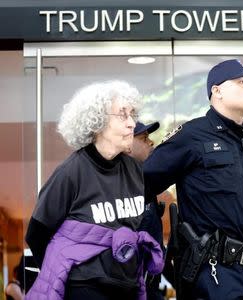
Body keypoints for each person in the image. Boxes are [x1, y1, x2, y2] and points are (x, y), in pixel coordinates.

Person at [142, 59, 243, 300]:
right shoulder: (192, 135)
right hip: (209, 270)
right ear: (217, 91)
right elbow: (142, 184)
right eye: (241, 82)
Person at [25, 80, 164, 300]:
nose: (131, 123)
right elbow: (37, 233)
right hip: (84, 287)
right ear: (97, 122)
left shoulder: (136, 171)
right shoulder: (71, 172)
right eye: (122, 115)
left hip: (127, 286)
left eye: (132, 115)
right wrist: (64, 270)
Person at [127, 121, 167, 300]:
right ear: (126, 144)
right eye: (144, 138)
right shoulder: (120, 186)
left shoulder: (145, 183)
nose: (151, 143)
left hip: (151, 287)